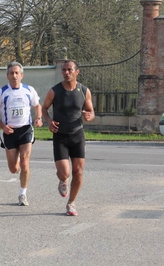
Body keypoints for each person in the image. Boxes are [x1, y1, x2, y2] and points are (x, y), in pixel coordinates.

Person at [42, 59, 95, 216]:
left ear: (76, 72)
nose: (66, 72)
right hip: (60, 136)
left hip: (77, 134)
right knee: (65, 172)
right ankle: (62, 180)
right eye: (64, 70)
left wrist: (89, 115)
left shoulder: (84, 91)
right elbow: (44, 108)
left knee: (78, 172)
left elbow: (91, 111)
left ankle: (71, 203)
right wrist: (49, 121)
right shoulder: (55, 91)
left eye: (70, 70)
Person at [0, 61, 43, 206]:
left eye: (17, 73)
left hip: (25, 129)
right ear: (7, 76)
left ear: (22, 75)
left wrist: (38, 118)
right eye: (11, 73)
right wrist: (2, 125)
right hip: (9, 132)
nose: (14, 76)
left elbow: (37, 105)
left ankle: (22, 194)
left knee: (25, 163)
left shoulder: (28, 90)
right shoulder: (2, 92)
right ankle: (17, 159)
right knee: (14, 169)